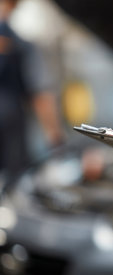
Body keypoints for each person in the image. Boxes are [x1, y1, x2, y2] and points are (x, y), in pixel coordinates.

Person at [0, 0, 63, 180]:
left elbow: (40, 93)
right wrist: (55, 137)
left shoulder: (20, 45)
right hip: (10, 126)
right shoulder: (21, 45)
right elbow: (40, 94)